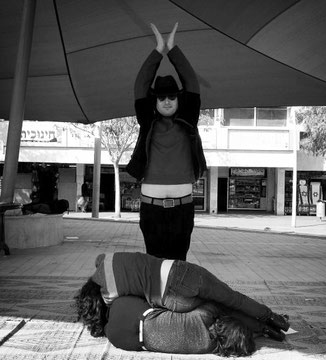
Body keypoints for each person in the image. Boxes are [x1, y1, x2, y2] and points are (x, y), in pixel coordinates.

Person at [74, 252, 290, 349]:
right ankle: (274, 319)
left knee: (222, 311)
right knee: (232, 297)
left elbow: (126, 309)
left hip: (174, 299)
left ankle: (261, 329)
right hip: (181, 271)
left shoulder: (109, 296)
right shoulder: (105, 260)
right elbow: (100, 258)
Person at [126, 23, 207, 261]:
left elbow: (191, 82)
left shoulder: (188, 119)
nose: (168, 101)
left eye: (172, 96)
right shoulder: (147, 121)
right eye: (161, 97)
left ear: (179, 99)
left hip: (183, 208)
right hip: (151, 208)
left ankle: (175, 299)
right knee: (154, 262)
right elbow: (140, 85)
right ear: (155, 101)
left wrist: (173, 50)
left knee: (178, 262)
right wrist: (159, 50)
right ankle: (156, 299)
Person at [80, 295, 286, 357]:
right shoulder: (209, 347)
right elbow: (237, 338)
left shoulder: (204, 317)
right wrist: (256, 335)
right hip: (121, 339)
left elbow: (219, 304)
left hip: (131, 313)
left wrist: (256, 322)